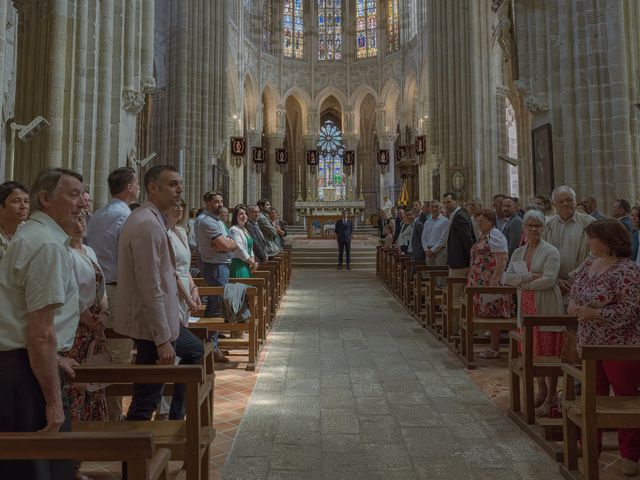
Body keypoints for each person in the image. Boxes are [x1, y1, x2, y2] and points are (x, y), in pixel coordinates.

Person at [0, 168, 88, 479]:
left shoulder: (35, 236)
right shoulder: (47, 245)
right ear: (45, 198)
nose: (83, 203)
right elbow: (39, 333)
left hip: (25, 366)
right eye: (73, 194)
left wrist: (55, 356)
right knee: (39, 469)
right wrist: (53, 401)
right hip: (27, 377)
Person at [568, 219, 640, 477]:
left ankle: (630, 454)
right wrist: (573, 305)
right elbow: (575, 289)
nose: (589, 242)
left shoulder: (627, 270)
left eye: (592, 237)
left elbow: (629, 310)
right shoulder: (590, 263)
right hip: (589, 341)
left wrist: (595, 313)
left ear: (609, 240)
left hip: (619, 343)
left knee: (624, 397)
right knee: (592, 394)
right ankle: (590, 443)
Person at [114, 165, 184, 421]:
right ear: (152, 187)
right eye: (172, 184)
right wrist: (162, 339)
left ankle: (142, 454)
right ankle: (135, 458)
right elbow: (149, 286)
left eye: (179, 183)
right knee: (145, 401)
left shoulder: (151, 219)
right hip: (152, 329)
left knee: (149, 397)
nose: (179, 190)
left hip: (157, 325)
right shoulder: (146, 224)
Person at [86, 166, 140, 421]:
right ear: (130, 188)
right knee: (119, 355)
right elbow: (129, 255)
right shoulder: (126, 216)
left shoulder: (97, 214)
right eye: (137, 184)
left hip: (97, 289)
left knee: (101, 350)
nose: (138, 188)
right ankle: (115, 419)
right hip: (117, 290)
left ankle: (103, 412)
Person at [503, 209, 564, 416]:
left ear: (543, 228)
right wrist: (530, 276)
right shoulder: (519, 252)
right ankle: (541, 390)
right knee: (532, 350)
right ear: (524, 228)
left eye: (538, 226)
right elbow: (506, 277)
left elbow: (549, 279)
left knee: (548, 352)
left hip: (545, 306)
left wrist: (524, 283)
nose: (534, 229)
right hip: (526, 307)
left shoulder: (551, 251)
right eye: (530, 225)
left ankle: (551, 396)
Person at [159, 199, 204, 420]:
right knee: (175, 351)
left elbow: (184, 269)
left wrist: (194, 290)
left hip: (185, 293)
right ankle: (167, 410)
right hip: (171, 296)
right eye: (174, 205)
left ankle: (175, 410)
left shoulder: (181, 232)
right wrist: (186, 297)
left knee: (179, 348)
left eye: (181, 206)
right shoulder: (162, 234)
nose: (178, 208)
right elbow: (171, 272)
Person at [194, 191, 237, 364]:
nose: (220, 204)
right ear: (206, 203)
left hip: (219, 263)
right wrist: (229, 245)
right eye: (216, 202)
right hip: (215, 265)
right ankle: (211, 347)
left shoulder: (215, 220)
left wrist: (228, 245)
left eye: (221, 201)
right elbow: (226, 244)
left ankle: (212, 345)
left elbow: (226, 244)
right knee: (217, 305)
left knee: (215, 303)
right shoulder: (207, 221)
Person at [466, 209, 511, 359]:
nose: (479, 224)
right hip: (480, 280)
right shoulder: (483, 235)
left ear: (491, 222)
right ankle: (491, 344)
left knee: (494, 313)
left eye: (482, 221)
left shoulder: (496, 235)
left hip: (490, 281)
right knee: (487, 313)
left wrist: (494, 281)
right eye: (477, 221)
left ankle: (495, 346)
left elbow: (502, 259)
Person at [544, 186, 595, 300]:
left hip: (582, 283)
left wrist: (574, 277)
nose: (565, 203)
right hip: (554, 284)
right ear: (554, 204)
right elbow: (542, 253)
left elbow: (594, 255)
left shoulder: (589, 222)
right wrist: (554, 279)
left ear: (576, 201)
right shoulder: (546, 224)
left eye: (569, 200)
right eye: (561, 201)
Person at [443, 192, 477, 332]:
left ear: (456, 201)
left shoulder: (459, 217)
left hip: (460, 263)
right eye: (444, 203)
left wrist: (472, 260)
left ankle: (455, 329)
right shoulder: (461, 214)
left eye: (448, 202)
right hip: (460, 261)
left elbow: (467, 240)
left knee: (456, 296)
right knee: (458, 295)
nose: (446, 205)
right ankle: (459, 327)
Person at [0, 181, 30, 259]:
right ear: (1, 206)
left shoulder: (29, 230)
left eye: (26, 201)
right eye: (16, 201)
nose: (23, 206)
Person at [229, 204, 258, 278]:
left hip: (247, 264)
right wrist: (252, 263)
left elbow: (250, 247)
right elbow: (239, 249)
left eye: (245, 213)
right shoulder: (234, 230)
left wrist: (252, 262)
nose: (244, 216)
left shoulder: (245, 229)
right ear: (236, 216)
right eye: (241, 214)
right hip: (238, 265)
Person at [422, 200, 449, 267]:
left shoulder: (445, 221)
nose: (434, 209)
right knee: (430, 275)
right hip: (428, 251)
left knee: (440, 275)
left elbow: (443, 239)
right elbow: (423, 237)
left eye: (436, 207)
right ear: (430, 208)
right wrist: (426, 249)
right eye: (432, 207)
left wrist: (432, 250)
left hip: (440, 251)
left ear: (440, 208)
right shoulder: (427, 222)